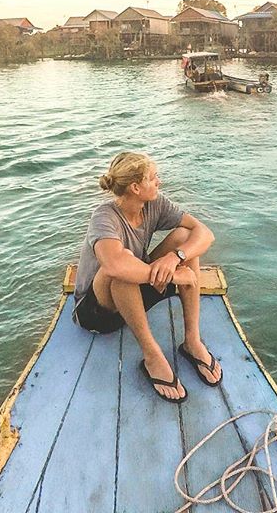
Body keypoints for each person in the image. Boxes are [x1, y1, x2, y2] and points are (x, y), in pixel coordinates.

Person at [73, 152, 222, 403]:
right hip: (97, 311)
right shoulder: (104, 217)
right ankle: (152, 356)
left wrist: (176, 257)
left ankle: (192, 341)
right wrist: (174, 275)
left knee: (186, 241)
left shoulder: (153, 204)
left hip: (133, 295)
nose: (159, 182)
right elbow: (114, 264)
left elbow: (204, 233)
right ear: (135, 187)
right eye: (153, 178)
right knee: (122, 268)